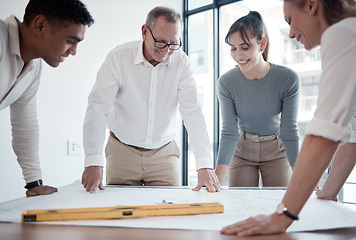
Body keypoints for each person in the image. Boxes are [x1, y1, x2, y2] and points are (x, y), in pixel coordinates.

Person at [221, 0, 356, 236]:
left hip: (277, 151)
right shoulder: (351, 30)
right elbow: (352, 137)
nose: (291, 33)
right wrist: (326, 193)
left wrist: (284, 215)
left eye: (290, 20)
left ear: (312, 5)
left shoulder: (342, 34)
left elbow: (324, 134)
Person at [81, 6, 220, 193]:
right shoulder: (118, 58)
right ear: (145, 32)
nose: (167, 50)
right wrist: (93, 160)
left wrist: (204, 165)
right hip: (122, 151)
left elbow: (192, 112)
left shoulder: (182, 63)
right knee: (121, 214)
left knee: (167, 215)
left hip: (164, 154)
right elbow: (98, 108)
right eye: (161, 42)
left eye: (173, 43)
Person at [0, 0, 94, 197]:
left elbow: (24, 124)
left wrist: (33, 183)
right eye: (70, 41)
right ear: (40, 25)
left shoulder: (33, 67)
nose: (74, 52)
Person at [215, 11, 299, 187]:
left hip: (277, 151)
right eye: (233, 48)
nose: (238, 55)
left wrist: (303, 175)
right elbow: (229, 132)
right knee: (240, 205)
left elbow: (289, 130)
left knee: (278, 206)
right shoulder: (226, 82)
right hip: (241, 150)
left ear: (262, 44)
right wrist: (215, 180)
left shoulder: (287, 78)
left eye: (245, 47)